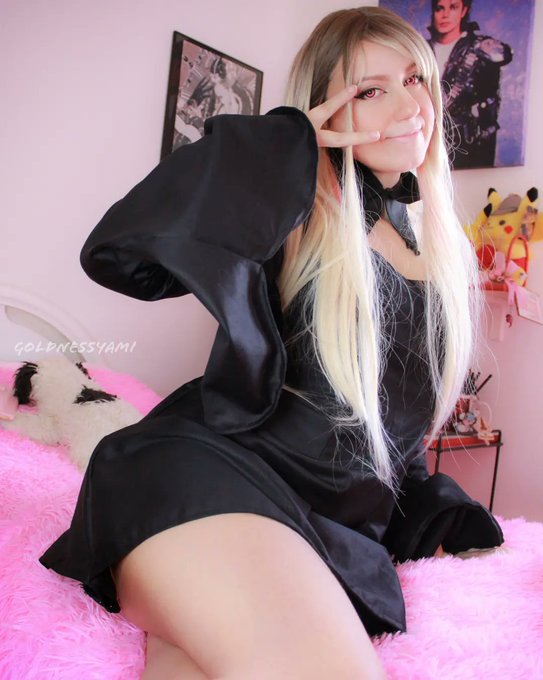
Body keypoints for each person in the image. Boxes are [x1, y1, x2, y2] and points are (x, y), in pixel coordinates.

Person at [39, 7, 504, 679]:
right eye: (371, 90)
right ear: (327, 108)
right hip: (202, 481)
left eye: (414, 79)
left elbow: (392, 430)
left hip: (320, 532)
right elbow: (119, 255)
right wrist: (287, 140)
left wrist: (433, 507)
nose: (410, 107)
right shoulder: (295, 209)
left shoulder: (438, 250)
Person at [427, 0, 513, 169]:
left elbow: (503, 56)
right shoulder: (422, 48)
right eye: (439, 8)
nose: (445, 14)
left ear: (464, 10)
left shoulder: (480, 47)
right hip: (429, 143)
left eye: (453, 7)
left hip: (468, 145)